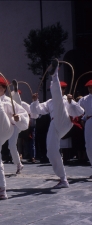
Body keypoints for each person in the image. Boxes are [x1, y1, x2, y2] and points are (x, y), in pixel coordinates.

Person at [30, 58, 84, 188]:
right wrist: (35, 101)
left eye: (62, 89)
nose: (62, 91)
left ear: (64, 90)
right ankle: (63, 179)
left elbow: (80, 112)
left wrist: (71, 102)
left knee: (59, 102)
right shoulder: (49, 102)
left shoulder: (66, 100)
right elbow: (37, 111)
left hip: (65, 122)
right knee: (51, 151)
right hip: (55, 125)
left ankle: (54, 75)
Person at [0, 63, 29, 200]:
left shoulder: (9, 102)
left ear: (3, 88)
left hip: (6, 127)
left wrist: (18, 117)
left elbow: (24, 116)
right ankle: (1, 190)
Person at [10, 83, 39, 172]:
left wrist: (35, 103)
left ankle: (32, 157)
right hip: (10, 126)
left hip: (20, 125)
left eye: (16, 93)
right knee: (11, 145)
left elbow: (33, 114)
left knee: (28, 142)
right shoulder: (8, 103)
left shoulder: (23, 104)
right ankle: (18, 163)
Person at [78, 80, 92, 178]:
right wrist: (69, 102)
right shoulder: (85, 99)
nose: (90, 88)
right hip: (89, 121)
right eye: (89, 87)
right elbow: (77, 107)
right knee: (89, 145)